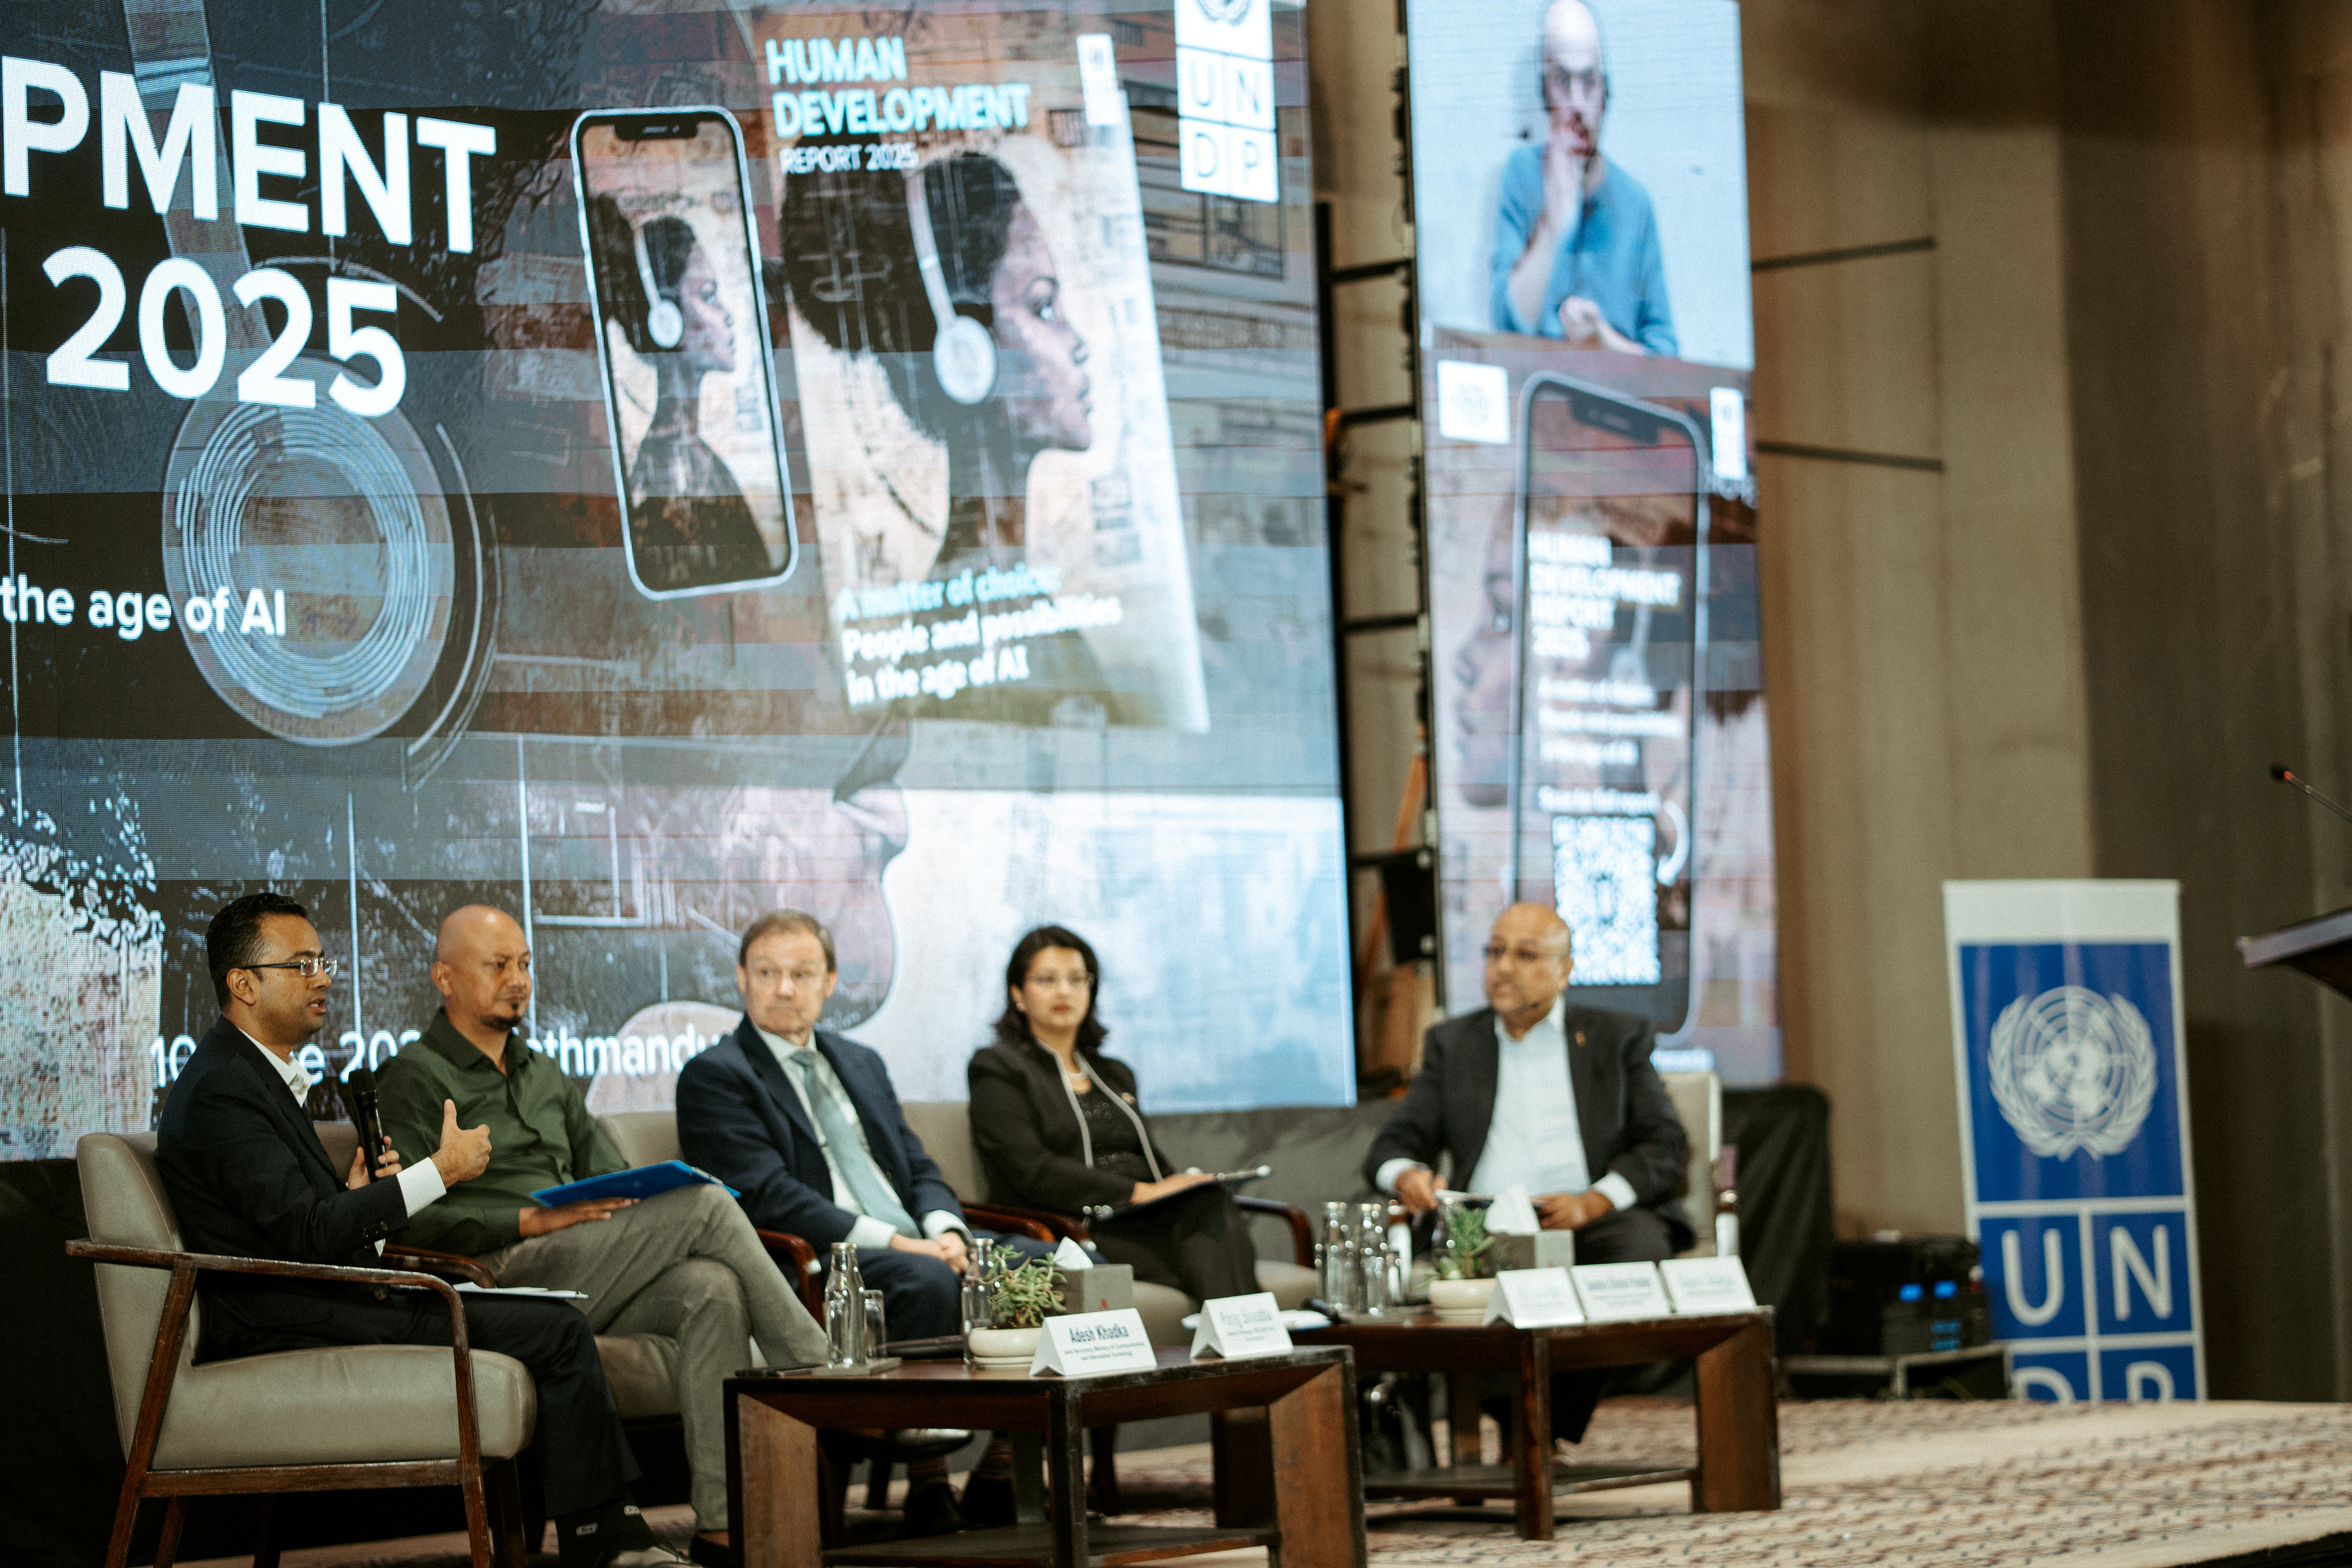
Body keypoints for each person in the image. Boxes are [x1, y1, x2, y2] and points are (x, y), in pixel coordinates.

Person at [153, 893, 685, 1568]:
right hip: (284, 1315)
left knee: (551, 1323)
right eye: (303, 963)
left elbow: (306, 1226)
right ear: (244, 983)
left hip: (324, 1293)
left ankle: (601, 1534)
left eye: (324, 960)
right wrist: (441, 1170)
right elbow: (308, 1236)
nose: (323, 977)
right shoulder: (224, 1089)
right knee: (553, 1327)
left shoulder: (252, 1074)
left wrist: (362, 1200)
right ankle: (603, 1540)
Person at [375, 904, 826, 1566]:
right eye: (498, 964)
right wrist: (528, 1218)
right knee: (704, 1203)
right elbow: (400, 1216)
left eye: (525, 963)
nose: (518, 979)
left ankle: (722, 1531)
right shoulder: (414, 1076)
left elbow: (609, 1174)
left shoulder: (545, 1072)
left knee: (713, 1285)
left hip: (588, 1260)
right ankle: (819, 1370)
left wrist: (632, 1195)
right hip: (497, 1273)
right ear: (445, 976)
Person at [675, 908, 1053, 1533]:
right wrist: (905, 1243)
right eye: (768, 972)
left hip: (918, 1240)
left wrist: (946, 1232)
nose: (785, 988)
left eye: (802, 973)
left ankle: (1001, 1468)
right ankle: (928, 1479)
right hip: (827, 1260)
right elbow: (771, 1197)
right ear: (741, 978)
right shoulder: (716, 1076)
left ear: (830, 982)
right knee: (927, 1283)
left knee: (1058, 1266)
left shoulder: (861, 1061)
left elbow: (916, 1163)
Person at [778, 153, 1121, 725]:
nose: (1077, 341)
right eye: (1042, 306)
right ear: (966, 354)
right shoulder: (979, 626)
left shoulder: (996, 598)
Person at [1363, 900, 1690, 1441]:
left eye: (1524, 954)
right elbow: (1393, 1144)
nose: (1503, 967)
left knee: (1639, 1248)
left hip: (1581, 1215)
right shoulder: (1453, 1042)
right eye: (1495, 952)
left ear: (1564, 971)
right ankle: (1530, 1436)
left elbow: (1664, 1143)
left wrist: (1596, 1201)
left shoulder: (1617, 1036)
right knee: (1469, 1278)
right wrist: (1407, 1177)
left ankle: (1538, 1432)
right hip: (1485, 1226)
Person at [968, 925, 1261, 1306]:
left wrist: (1183, 1184)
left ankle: (1236, 1335)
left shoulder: (1114, 1073)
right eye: (1047, 980)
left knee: (1209, 1202)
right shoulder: (999, 1068)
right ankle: (1250, 1337)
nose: (1064, 991)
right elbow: (1032, 1170)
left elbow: (1149, 1160)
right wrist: (1140, 1193)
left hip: (1147, 1219)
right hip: (1077, 1226)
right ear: (1018, 994)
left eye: (1077, 980)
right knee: (1209, 1250)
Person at [586, 194, 777, 593]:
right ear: (665, 320)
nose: (726, 314)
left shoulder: (696, 458)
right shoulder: (672, 473)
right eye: (707, 296)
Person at [1491, 0, 1676, 354]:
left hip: (1616, 404)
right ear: (1545, 92)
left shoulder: (1635, 203)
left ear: (1606, 93)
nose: (1577, 104)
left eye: (1589, 82)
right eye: (1562, 81)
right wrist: (1553, 228)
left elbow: (1667, 359)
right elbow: (1506, 325)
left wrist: (1602, 340)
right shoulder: (1521, 173)